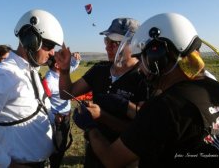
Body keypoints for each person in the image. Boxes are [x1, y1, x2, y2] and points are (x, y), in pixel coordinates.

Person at [72, 13, 219, 168]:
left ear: (157, 57)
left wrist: (91, 127)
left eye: (142, 59)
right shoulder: (218, 90)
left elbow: (111, 159)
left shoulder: (167, 106)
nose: (141, 68)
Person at [0, 9, 64, 168]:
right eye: (48, 45)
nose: (52, 53)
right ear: (30, 40)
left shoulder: (30, 70)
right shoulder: (5, 74)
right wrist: (7, 163)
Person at [55, 18, 149, 167]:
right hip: (94, 153)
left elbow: (143, 132)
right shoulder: (100, 70)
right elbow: (67, 93)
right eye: (107, 41)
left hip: (125, 160)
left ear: (135, 44)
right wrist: (65, 70)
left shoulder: (145, 78)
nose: (108, 47)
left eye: (115, 43)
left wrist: (101, 117)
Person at [43, 52, 81, 168]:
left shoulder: (63, 73)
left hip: (66, 118)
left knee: (62, 145)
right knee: (57, 150)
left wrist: (76, 58)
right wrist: (53, 116)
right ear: (57, 65)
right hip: (56, 121)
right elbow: (42, 102)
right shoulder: (48, 81)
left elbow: (74, 66)